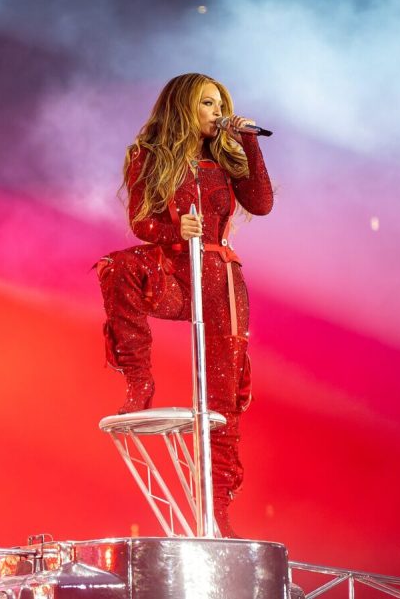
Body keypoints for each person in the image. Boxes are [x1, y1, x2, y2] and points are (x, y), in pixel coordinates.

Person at [96, 73, 273, 538]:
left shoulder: (225, 155)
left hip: (219, 282)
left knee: (221, 401)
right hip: (175, 269)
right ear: (184, 108)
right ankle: (140, 380)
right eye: (208, 105)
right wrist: (175, 232)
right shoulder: (148, 156)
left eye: (221, 104)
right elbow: (140, 219)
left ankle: (218, 511)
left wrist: (249, 145)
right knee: (117, 267)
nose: (217, 113)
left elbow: (262, 202)